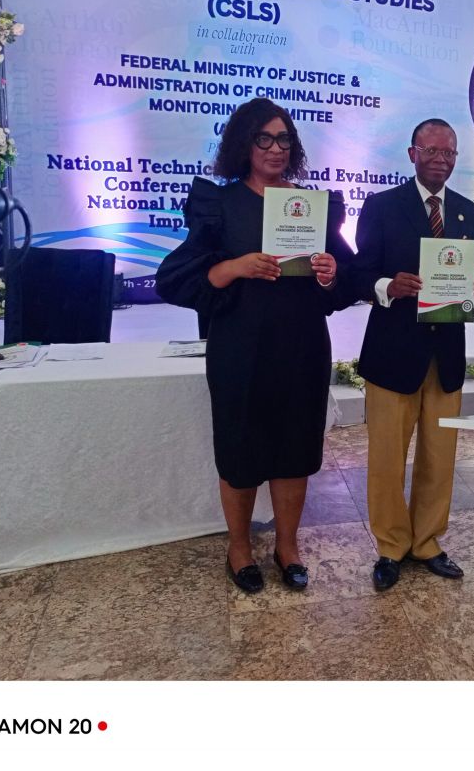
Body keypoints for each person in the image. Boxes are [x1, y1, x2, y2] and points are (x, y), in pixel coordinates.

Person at [156, 97, 355, 594]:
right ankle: (240, 548)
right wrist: (234, 267)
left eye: (284, 138)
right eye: (263, 138)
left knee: (295, 448)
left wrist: (332, 274)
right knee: (241, 450)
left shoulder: (312, 206)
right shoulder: (220, 204)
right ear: (243, 145)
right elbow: (174, 279)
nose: (275, 148)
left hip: (302, 345)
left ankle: (288, 546)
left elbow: (349, 278)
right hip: (240, 347)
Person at [353, 118, 474, 591]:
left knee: (441, 456)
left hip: (446, 355)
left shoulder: (469, 214)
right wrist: (387, 287)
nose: (440, 159)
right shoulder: (382, 207)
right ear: (412, 154)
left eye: (449, 153)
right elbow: (358, 273)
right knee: (387, 460)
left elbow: (461, 279)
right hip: (394, 353)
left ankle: (428, 542)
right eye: (431, 150)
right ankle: (391, 546)